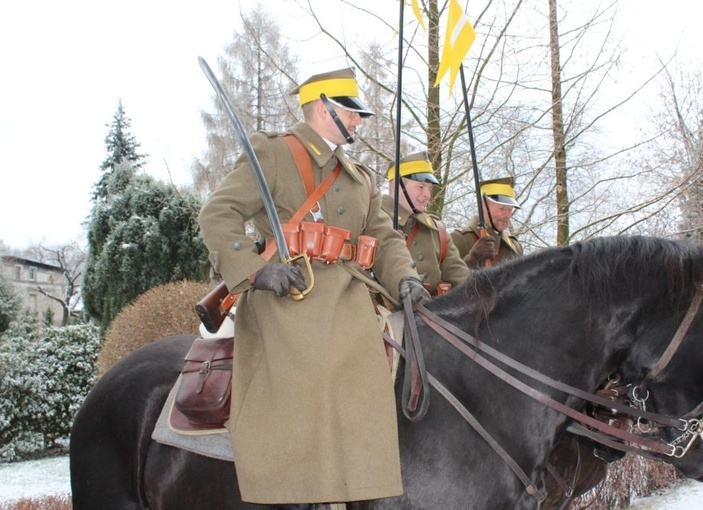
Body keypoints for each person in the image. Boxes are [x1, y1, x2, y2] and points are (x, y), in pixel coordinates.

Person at [198, 67, 430, 508]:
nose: (361, 122)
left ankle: (360, 486)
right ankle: (294, 489)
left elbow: (382, 237)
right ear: (324, 109)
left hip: (350, 296)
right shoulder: (274, 154)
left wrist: (405, 278)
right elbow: (218, 213)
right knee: (314, 371)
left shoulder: (359, 176)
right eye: (353, 113)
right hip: (289, 297)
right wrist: (253, 270)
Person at [382, 152, 469, 295]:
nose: (428, 195)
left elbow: (459, 274)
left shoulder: (436, 230)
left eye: (430, 188)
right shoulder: (373, 218)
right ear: (398, 186)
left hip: (430, 310)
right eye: (421, 187)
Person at [451, 176, 523, 269]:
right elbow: (450, 278)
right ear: (483, 205)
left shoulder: (514, 247)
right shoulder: (460, 239)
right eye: (501, 208)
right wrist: (472, 260)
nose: (507, 215)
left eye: (510, 210)